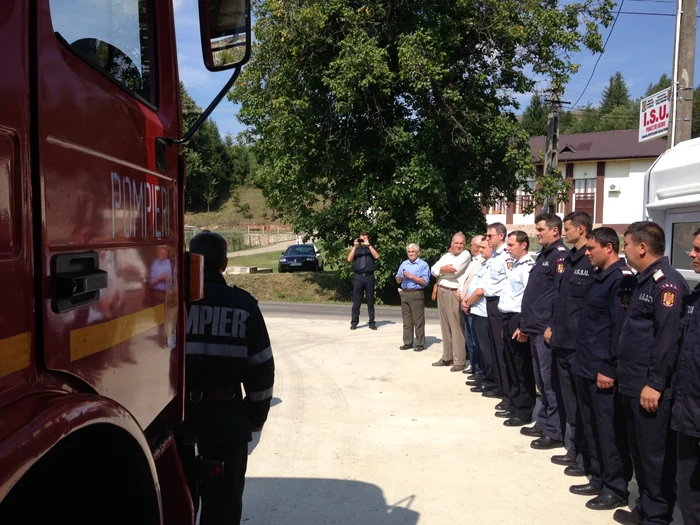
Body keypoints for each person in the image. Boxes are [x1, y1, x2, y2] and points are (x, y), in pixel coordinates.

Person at [180, 231, 275, 524]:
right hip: (227, 424)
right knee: (223, 510)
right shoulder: (244, 306)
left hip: (176, 422)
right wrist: (256, 416)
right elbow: (262, 371)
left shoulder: (169, 304)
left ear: (191, 260)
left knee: (176, 508)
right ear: (224, 264)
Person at [613, 221, 689, 525]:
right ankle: (645, 507)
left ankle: (657, 516)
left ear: (642, 247)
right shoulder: (644, 279)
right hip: (632, 382)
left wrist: (655, 384)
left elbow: (667, 339)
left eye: (627, 244)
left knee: (655, 455)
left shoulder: (666, 283)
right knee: (638, 451)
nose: (625, 251)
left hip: (650, 386)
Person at [569, 227, 636, 511]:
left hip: (603, 370)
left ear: (609, 248)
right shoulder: (599, 277)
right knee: (592, 425)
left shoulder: (620, 280)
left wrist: (609, 367)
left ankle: (616, 486)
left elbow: (619, 330)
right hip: (586, 364)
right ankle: (598, 476)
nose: (587, 253)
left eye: (591, 249)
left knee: (609, 431)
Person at [549, 212, 594, 473]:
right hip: (563, 339)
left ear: (581, 228)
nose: (564, 233)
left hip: (579, 344)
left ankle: (584, 456)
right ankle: (573, 448)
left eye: (567, 229)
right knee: (569, 399)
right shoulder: (569, 259)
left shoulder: (590, 260)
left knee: (581, 404)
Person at [520, 213, 569, 450]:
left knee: (550, 383)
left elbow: (560, 296)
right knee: (541, 380)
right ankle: (543, 421)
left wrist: (552, 325)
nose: (537, 233)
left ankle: (555, 431)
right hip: (534, 327)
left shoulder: (560, 257)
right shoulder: (544, 255)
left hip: (545, 329)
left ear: (555, 231)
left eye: (540, 230)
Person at [671, 228, 700, 525]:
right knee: (688, 488)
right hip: (687, 410)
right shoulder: (693, 300)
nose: (691, 254)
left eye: (698, 250)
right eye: (693, 248)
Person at [497, 231, 537, 427]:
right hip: (508, 317)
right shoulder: (514, 266)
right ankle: (514, 402)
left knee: (522, 367)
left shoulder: (528, 267)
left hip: (518, 318)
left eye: (511, 245)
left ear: (523, 245)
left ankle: (524, 410)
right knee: (511, 363)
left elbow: (529, 299)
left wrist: (523, 326)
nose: (507, 248)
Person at [431, 232, 472, 372]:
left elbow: (455, 271)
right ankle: (447, 357)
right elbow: (433, 269)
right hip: (442, 290)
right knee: (445, 326)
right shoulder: (447, 256)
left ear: (464, 244)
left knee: (456, 326)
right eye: (456, 243)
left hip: (453, 292)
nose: (458, 246)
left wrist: (440, 271)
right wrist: (442, 269)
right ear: (451, 244)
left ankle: (459, 360)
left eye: (461, 243)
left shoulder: (465, 255)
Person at [482, 222, 510, 400]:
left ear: (501, 236)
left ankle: (507, 392)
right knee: (494, 348)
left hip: (500, 304)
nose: (487, 239)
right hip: (490, 302)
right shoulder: (495, 256)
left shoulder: (507, 256)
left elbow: (508, 282)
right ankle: (499, 387)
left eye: (490, 236)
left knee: (502, 350)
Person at [463, 238, 496, 392]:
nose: (480, 250)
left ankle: (488, 380)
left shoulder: (493, 264)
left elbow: (481, 291)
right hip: (475, 309)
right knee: (478, 346)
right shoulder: (483, 263)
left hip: (483, 311)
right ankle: (481, 375)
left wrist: (468, 302)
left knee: (485, 349)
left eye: (483, 247)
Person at [396, 243, 430, 352]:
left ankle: (420, 343)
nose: (411, 254)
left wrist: (411, 277)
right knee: (407, 321)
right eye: (409, 252)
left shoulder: (423, 265)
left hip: (416, 293)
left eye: (413, 252)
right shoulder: (404, 264)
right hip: (405, 293)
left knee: (418, 320)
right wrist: (400, 278)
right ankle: (407, 342)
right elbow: (397, 279)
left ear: (418, 253)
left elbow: (425, 282)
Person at [459, 235, 485, 375]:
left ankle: (478, 369)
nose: (471, 247)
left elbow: (479, 288)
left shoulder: (482, 262)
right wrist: (460, 291)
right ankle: (474, 367)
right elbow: (465, 280)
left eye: (472, 244)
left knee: (476, 340)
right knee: (469, 338)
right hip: (466, 302)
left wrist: (468, 301)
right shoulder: (473, 261)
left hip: (474, 305)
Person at [347, 231, 380, 330]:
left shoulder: (371, 248)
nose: (363, 239)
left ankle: (372, 322)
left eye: (365, 237)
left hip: (369, 276)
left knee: (370, 300)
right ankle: (354, 322)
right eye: (362, 237)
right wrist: (354, 247)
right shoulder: (357, 249)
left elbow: (377, 256)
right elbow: (349, 259)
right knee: (356, 300)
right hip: (358, 276)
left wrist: (368, 245)